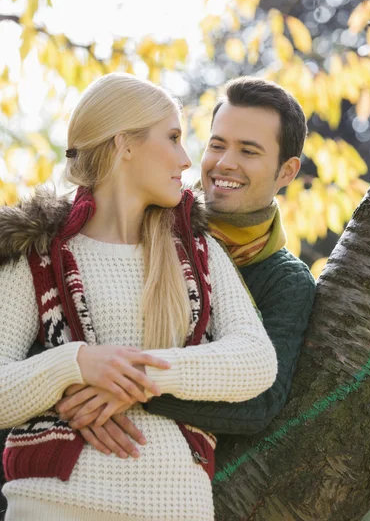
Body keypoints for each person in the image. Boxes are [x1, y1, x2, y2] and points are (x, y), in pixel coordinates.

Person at [0, 73, 278, 521]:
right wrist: (76, 363)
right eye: (172, 138)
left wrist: (135, 379)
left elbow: (256, 361)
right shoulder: (38, 249)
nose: (187, 159)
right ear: (125, 144)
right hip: (49, 508)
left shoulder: (197, 249)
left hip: (176, 508)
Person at [56, 76, 316, 458]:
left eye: (249, 151)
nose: (225, 163)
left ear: (287, 172)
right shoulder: (136, 225)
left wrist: (123, 391)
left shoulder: (286, 281)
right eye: (217, 145)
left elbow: (260, 403)